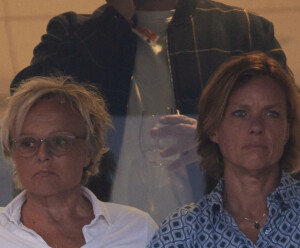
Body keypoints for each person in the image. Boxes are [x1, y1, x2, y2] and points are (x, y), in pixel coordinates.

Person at [11, 0, 287, 222]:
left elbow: (289, 130)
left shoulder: (241, 31)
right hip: (104, 239)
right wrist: (114, 18)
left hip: (219, 233)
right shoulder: (72, 32)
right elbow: (26, 107)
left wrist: (217, 137)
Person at [133, 52, 300, 248]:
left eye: (271, 114)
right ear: (213, 130)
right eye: (240, 113)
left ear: (287, 130)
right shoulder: (183, 230)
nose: (256, 126)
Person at [0, 76, 157, 248]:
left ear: (90, 150)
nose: (43, 155)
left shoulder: (137, 228)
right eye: (27, 143)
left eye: (60, 141)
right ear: (12, 154)